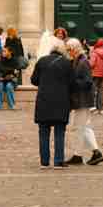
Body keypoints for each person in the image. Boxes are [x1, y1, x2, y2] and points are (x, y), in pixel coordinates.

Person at [31, 37, 73, 168]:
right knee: (60, 132)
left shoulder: (42, 61)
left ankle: (44, 162)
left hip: (44, 101)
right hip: (61, 101)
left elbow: (34, 80)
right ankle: (58, 161)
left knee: (43, 133)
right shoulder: (67, 63)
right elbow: (72, 83)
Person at [64, 39, 103, 165]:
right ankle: (87, 153)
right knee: (83, 127)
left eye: (69, 50)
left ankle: (85, 154)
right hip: (81, 99)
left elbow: (87, 81)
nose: (68, 52)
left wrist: (72, 83)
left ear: (75, 49)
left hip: (83, 100)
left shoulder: (83, 62)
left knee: (79, 127)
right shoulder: (76, 61)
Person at [2, 28, 25, 109]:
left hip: (15, 58)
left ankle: (17, 82)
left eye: (9, 32)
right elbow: (7, 48)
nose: (9, 34)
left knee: (17, 71)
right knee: (14, 70)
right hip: (11, 57)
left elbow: (20, 50)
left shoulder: (16, 39)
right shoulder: (9, 39)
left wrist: (20, 57)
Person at [89, 37, 103, 113]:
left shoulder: (94, 52)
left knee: (93, 91)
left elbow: (92, 64)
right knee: (100, 91)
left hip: (94, 74)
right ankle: (101, 108)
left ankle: (93, 107)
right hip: (102, 74)